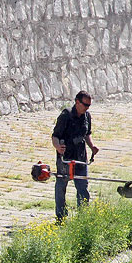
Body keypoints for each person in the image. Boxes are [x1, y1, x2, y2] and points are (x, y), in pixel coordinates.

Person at [51, 90, 101, 221]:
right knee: (61, 187)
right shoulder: (65, 116)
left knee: (83, 188)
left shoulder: (87, 116)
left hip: (80, 157)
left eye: (89, 106)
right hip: (66, 158)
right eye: (85, 105)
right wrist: (57, 146)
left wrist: (92, 146)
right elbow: (55, 136)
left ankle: (82, 219)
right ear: (77, 102)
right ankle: (61, 217)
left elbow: (87, 134)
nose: (87, 108)